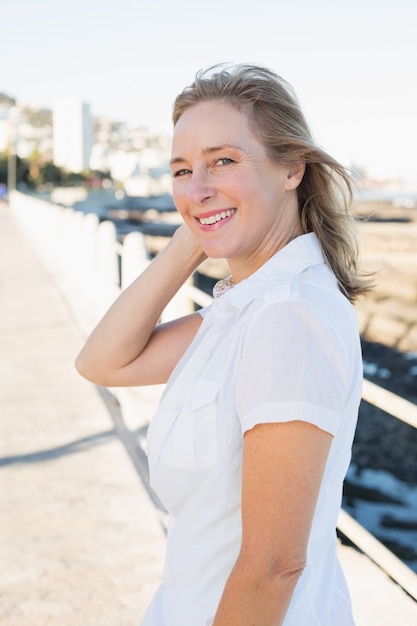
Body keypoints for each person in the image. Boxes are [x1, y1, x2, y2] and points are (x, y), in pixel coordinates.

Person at [76, 64, 372, 625]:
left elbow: (273, 566)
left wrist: (211, 209)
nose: (197, 184)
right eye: (182, 170)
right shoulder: (244, 309)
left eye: (224, 161)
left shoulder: (288, 317)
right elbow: (102, 360)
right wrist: (201, 225)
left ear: (291, 168)